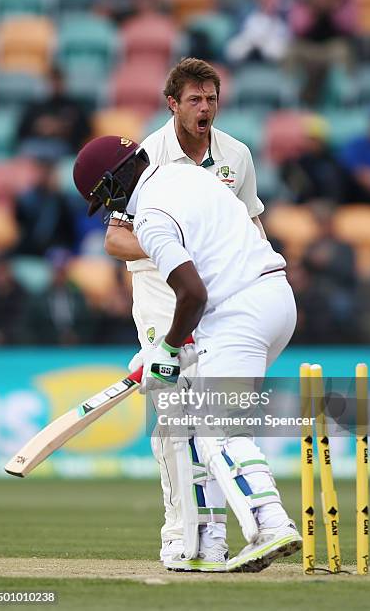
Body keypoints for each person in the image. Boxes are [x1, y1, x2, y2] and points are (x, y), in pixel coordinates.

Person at [73, 135, 302, 573]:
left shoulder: (153, 217)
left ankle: (271, 525)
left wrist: (170, 347)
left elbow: (192, 292)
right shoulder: (188, 177)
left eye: (105, 197)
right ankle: (208, 542)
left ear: (116, 179)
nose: (110, 210)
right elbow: (210, 274)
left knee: (219, 432)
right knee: (198, 425)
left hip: (237, 313)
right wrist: (165, 350)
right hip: (272, 300)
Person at [103, 58, 267, 570]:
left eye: (211, 99)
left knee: (213, 414)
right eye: (194, 100)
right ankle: (181, 537)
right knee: (176, 417)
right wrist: (175, 249)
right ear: (172, 103)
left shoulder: (236, 155)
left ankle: (214, 536)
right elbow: (115, 239)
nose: (204, 109)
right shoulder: (146, 157)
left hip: (218, 297)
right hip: (161, 295)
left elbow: (252, 227)